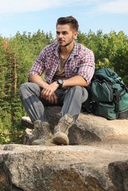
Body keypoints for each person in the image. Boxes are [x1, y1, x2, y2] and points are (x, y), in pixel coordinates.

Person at [19, 16, 95, 145]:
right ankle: (44, 130)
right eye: (58, 32)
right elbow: (33, 74)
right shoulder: (48, 50)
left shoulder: (85, 53)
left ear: (75, 34)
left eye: (65, 33)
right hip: (50, 93)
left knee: (77, 88)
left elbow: (84, 79)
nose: (60, 36)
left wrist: (58, 83)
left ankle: (62, 129)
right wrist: (45, 86)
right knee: (25, 87)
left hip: (72, 94)